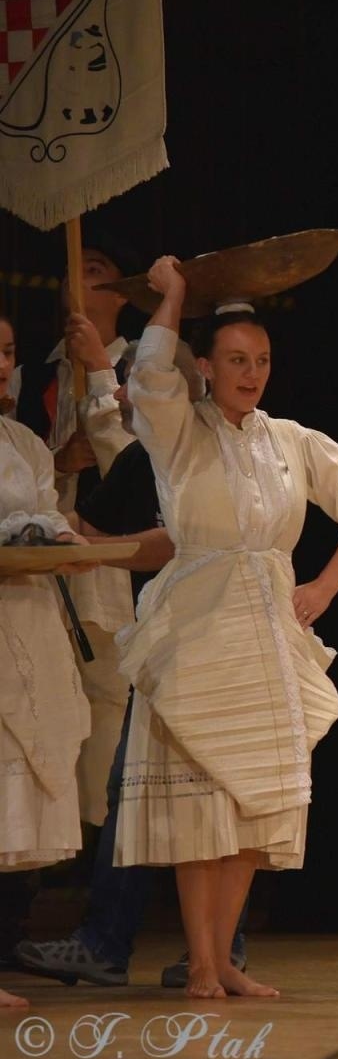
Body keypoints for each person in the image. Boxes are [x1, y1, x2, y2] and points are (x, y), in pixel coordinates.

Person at [114, 256, 338, 998]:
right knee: (203, 800)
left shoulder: (291, 439)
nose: (252, 373)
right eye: (235, 359)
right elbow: (151, 378)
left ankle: (224, 960)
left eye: (262, 360)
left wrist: (325, 585)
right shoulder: (179, 430)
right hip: (198, 625)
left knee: (254, 801)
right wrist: (174, 296)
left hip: (268, 628)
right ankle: (201, 961)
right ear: (204, 366)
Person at [14, 330, 245, 989]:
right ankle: (114, 943)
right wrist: (48, 513)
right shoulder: (149, 453)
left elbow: (173, 541)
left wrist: (93, 548)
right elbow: (94, 529)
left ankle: (217, 949)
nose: (125, 394)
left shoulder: (216, 448)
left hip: (219, 638)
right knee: (136, 789)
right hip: (164, 642)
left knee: (219, 792)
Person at [1, 324, 97, 1006]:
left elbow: (46, 514)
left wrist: (60, 537)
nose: (0, 363)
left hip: (27, 613)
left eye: (7, 351)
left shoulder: (25, 443)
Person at [44, 234, 146, 831]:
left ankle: (99, 835)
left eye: (96, 268)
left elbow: (152, 471)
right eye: (73, 270)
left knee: (107, 691)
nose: (81, 278)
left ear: (121, 292)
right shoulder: (33, 374)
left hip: (115, 558)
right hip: (46, 559)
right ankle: (52, 840)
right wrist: (58, 462)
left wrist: (101, 378)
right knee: (49, 696)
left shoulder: (148, 370)